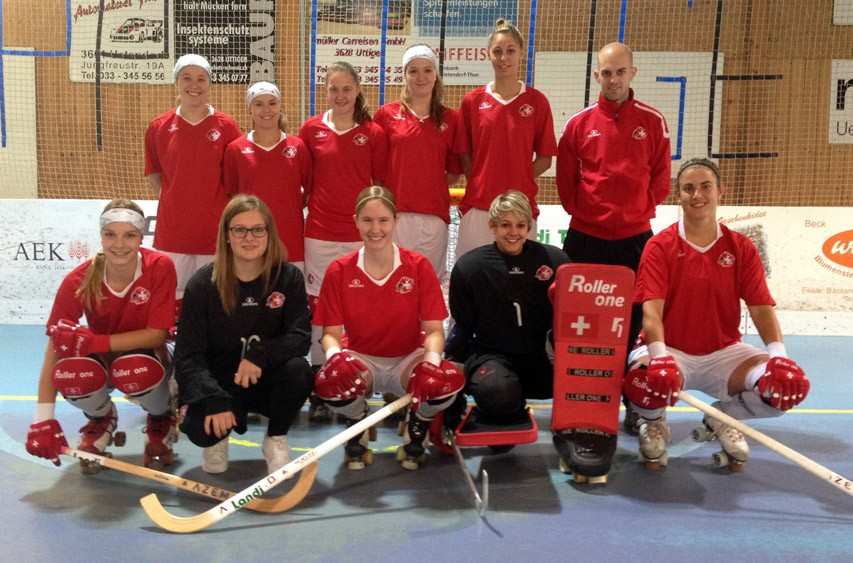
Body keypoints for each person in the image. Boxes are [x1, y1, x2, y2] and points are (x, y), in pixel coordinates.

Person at [624, 158, 810, 471]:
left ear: (720, 191)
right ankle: (653, 422)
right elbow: (651, 312)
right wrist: (659, 356)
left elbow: (761, 307)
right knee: (642, 379)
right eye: (688, 188)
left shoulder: (741, 247)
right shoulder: (659, 246)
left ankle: (724, 417)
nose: (697, 195)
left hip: (724, 352)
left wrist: (778, 355)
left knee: (785, 386)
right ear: (678, 195)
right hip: (671, 348)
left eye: (705, 186)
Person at [556, 41, 672, 433]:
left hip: (635, 240)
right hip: (586, 239)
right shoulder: (578, 124)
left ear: (632, 73)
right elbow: (566, 183)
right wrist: (591, 216)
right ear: (596, 76)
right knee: (579, 323)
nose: (613, 79)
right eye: (606, 73)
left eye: (620, 72)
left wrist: (634, 213)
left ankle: (636, 403)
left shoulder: (653, 122)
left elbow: (660, 180)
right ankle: (578, 401)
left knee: (636, 323)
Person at [311, 186, 463, 471]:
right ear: (355, 221)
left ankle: (417, 424)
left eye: (383, 220)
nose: (375, 228)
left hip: (408, 357)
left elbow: (433, 330)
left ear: (395, 221)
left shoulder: (417, 266)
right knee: (330, 383)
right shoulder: (339, 269)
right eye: (367, 220)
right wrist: (335, 357)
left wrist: (431, 363)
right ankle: (357, 423)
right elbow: (330, 333)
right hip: (361, 358)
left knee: (444, 383)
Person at [25, 200, 178, 472]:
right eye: (110, 234)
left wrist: (96, 341)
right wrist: (42, 419)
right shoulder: (80, 279)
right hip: (102, 362)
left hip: (145, 358)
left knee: (136, 369)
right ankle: (101, 418)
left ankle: (160, 417)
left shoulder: (159, 266)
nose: (119, 244)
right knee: (70, 368)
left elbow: (157, 335)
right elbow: (55, 345)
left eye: (129, 235)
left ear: (141, 237)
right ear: (101, 236)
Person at [173, 195, 314, 474]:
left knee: (299, 371)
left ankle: (275, 438)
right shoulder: (203, 285)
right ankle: (217, 439)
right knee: (198, 429)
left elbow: (300, 337)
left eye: (257, 229)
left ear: (269, 233)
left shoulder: (288, 278)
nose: (249, 238)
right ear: (227, 235)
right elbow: (188, 355)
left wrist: (259, 355)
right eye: (239, 230)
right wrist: (213, 397)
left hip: (264, 380)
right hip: (221, 382)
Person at [447, 191, 569, 430]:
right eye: (505, 225)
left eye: (520, 225)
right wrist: (450, 365)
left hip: (539, 355)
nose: (513, 232)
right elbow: (463, 323)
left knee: (578, 382)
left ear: (529, 227)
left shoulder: (555, 261)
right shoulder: (470, 267)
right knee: (498, 393)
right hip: (491, 355)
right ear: (492, 225)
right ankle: (503, 406)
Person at [299, 61, 388, 370]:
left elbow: (378, 183)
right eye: (334, 89)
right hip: (319, 234)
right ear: (325, 91)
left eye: (347, 89)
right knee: (320, 306)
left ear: (358, 90)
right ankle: (319, 370)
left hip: (358, 237)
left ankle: (357, 370)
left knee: (358, 306)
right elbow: (305, 181)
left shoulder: (373, 132)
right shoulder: (311, 130)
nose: (340, 95)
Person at [455, 19, 557, 258]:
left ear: (521, 53)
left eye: (510, 51)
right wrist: (482, 179)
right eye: (498, 51)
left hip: (520, 209)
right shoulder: (472, 101)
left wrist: (518, 178)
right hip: (479, 207)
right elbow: (463, 153)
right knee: (472, 278)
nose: (504, 58)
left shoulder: (537, 101)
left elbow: (545, 158)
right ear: (488, 55)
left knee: (519, 283)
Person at [145, 53, 242, 301]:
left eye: (201, 79)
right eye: (187, 78)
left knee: (215, 301)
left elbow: (236, 178)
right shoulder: (159, 127)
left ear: (210, 84)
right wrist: (175, 201)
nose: (194, 85)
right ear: (177, 82)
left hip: (214, 236)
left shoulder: (227, 126)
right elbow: (155, 173)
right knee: (171, 300)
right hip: (172, 235)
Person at [374, 43, 464, 281]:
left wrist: (427, 186)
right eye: (413, 70)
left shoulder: (451, 119)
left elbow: (454, 171)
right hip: (395, 215)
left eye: (427, 70)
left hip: (434, 217)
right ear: (404, 75)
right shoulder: (385, 115)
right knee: (393, 281)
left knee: (427, 284)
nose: (421, 77)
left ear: (436, 75)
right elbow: (376, 169)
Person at [224, 81, 312, 272]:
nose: (266, 109)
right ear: (249, 108)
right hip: (249, 241)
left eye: (272, 103)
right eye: (258, 103)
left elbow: (310, 191)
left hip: (289, 238)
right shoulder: (235, 149)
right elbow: (231, 195)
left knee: (288, 297)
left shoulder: (297, 147)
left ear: (280, 106)